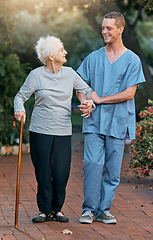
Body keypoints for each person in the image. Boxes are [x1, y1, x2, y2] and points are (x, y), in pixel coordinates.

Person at [14, 35, 93, 223]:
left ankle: (57, 209)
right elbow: (20, 96)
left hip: (63, 131)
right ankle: (44, 210)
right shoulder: (36, 75)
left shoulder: (70, 73)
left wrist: (88, 103)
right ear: (50, 56)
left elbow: (87, 91)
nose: (65, 52)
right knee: (43, 172)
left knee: (60, 172)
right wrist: (19, 109)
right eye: (61, 49)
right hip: (40, 130)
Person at [77, 12, 146, 224]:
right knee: (91, 164)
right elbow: (80, 85)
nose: (104, 31)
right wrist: (85, 101)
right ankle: (88, 209)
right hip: (94, 121)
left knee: (113, 169)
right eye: (103, 27)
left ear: (120, 29)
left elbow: (129, 93)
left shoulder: (132, 59)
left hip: (118, 121)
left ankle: (103, 209)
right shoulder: (93, 57)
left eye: (109, 28)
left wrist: (99, 100)